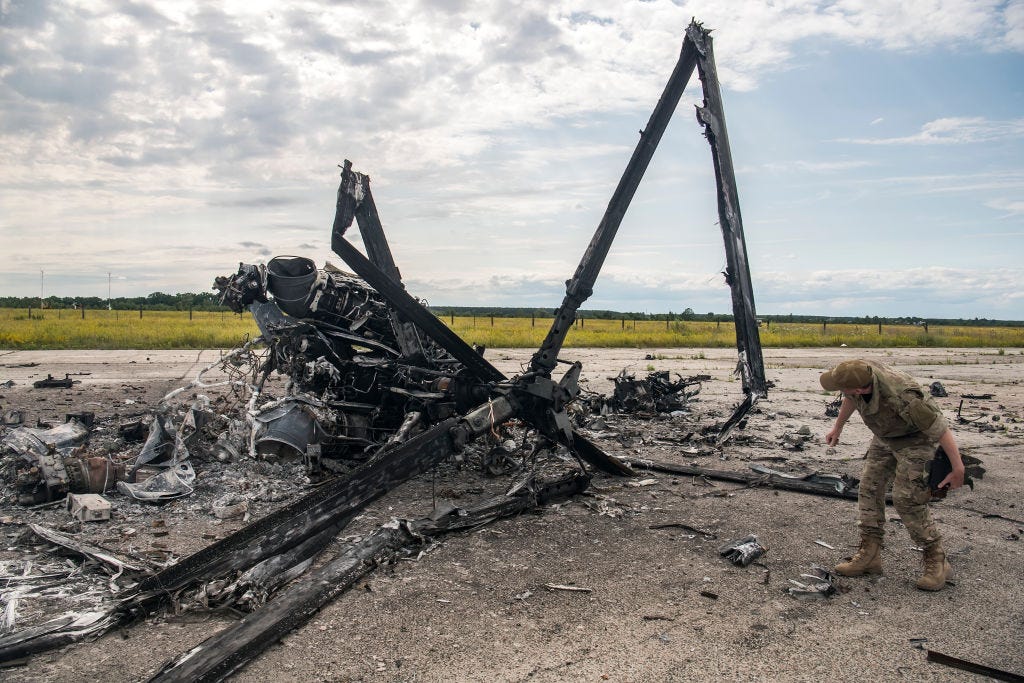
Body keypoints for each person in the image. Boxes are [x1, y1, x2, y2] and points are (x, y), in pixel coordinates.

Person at [820, 359, 965, 591]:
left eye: (842, 387)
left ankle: (937, 560)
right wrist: (838, 427)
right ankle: (870, 555)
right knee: (868, 488)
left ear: (860, 387)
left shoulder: (904, 397)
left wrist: (958, 469)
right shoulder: (859, 375)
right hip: (885, 435)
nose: (840, 391)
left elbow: (940, 429)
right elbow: (850, 398)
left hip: (916, 440)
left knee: (907, 498)